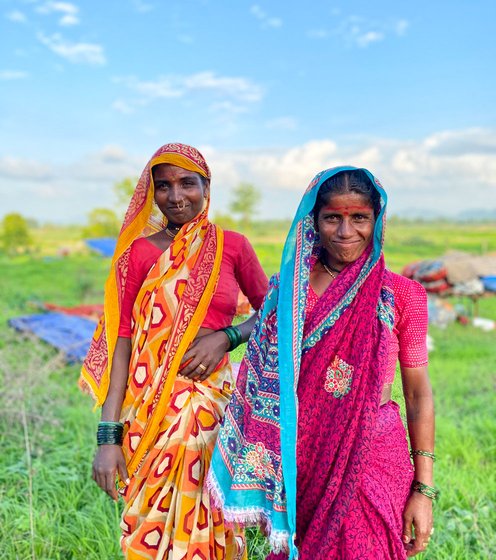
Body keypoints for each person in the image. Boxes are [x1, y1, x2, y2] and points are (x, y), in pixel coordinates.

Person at [207, 167, 437, 560]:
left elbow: (418, 395)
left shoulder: (403, 295)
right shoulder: (288, 289)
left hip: (373, 452)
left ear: (376, 220)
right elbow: (262, 372)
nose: (346, 231)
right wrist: (226, 337)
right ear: (313, 221)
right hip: (303, 458)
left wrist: (424, 489)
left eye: (359, 218)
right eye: (333, 218)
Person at [80, 142, 269, 559]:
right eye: (163, 186)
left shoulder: (231, 246)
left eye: (188, 183)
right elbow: (123, 340)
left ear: (207, 187)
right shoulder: (140, 252)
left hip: (212, 410)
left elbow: (272, 314)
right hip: (147, 416)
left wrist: (228, 337)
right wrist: (107, 437)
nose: (176, 196)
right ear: (151, 193)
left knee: (212, 523)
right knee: (148, 527)